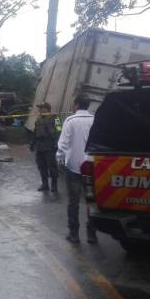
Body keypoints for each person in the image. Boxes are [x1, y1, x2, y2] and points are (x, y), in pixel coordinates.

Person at [57, 94, 97, 244]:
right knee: (91, 201)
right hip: (91, 167)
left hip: (74, 167)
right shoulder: (95, 120)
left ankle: (74, 234)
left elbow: (63, 144)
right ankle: (92, 234)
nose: (72, 106)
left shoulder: (70, 120)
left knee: (73, 202)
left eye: (73, 103)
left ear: (77, 104)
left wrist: (59, 159)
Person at [30, 102, 57, 192]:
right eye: (39, 108)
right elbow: (35, 133)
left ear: (46, 109)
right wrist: (32, 144)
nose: (39, 110)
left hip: (50, 146)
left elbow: (60, 131)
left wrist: (50, 129)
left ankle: (54, 185)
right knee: (41, 166)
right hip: (40, 147)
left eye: (41, 108)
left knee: (52, 167)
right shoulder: (38, 119)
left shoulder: (55, 118)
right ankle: (45, 184)